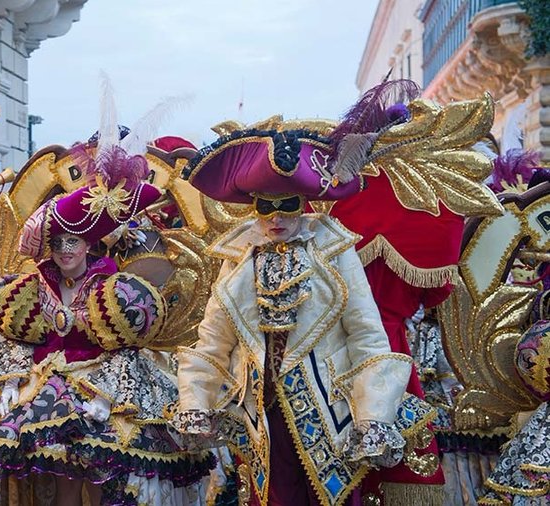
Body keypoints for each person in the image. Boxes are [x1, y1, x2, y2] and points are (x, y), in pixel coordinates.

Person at [0, 85, 214, 505]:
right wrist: (17, 377)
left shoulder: (115, 285)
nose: (66, 250)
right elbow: (21, 333)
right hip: (46, 383)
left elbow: (129, 335)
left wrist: (105, 383)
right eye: (58, 243)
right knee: (51, 471)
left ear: (92, 243)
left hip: (105, 387)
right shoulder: (36, 285)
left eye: (76, 242)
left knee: (104, 459)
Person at [174, 106, 437, 505]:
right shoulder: (238, 258)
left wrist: (372, 415)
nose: (276, 217)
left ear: (304, 204)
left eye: (288, 206)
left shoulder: (334, 251)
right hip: (261, 411)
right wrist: (196, 400)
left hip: (328, 410)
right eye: (265, 206)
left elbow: (366, 334)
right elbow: (214, 336)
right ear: (253, 208)